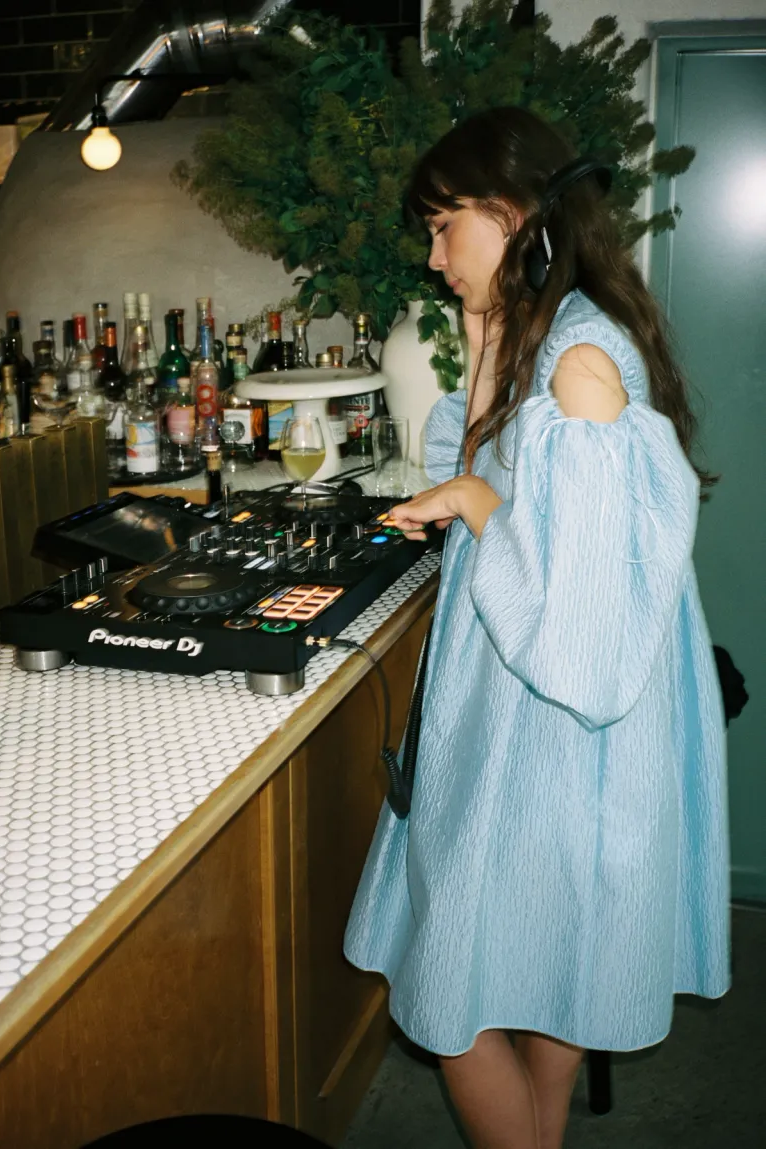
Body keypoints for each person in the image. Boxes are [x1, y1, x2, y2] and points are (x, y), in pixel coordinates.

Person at [342, 107, 731, 1149]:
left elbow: (586, 635)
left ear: (509, 216)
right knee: (560, 959)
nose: (432, 258)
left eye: (441, 227)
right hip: (518, 704)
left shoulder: (580, 368)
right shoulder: (545, 339)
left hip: (558, 724)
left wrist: (471, 503)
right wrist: (477, 354)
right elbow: (484, 486)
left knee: (446, 983)